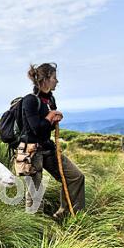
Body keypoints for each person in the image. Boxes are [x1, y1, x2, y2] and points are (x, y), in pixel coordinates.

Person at [19, 62, 85, 218]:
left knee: (76, 177)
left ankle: (67, 215)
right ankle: (34, 230)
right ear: (46, 79)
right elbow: (36, 128)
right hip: (31, 151)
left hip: (47, 148)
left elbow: (45, 129)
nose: (57, 81)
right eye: (54, 77)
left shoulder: (50, 100)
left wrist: (54, 120)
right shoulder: (30, 100)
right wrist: (50, 118)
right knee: (34, 193)